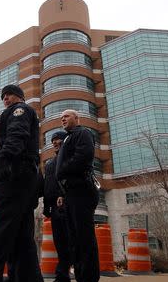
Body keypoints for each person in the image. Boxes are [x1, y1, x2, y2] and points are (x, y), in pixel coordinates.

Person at [0, 84, 43, 282]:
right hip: (22, 178)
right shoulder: (20, 112)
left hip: (13, 176)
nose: (5, 99)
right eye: (3, 97)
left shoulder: (20, 110)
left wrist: (4, 163)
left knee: (0, 230)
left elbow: (17, 135)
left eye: (8, 95)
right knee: (22, 235)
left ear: (18, 96)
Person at [55, 109, 100, 282]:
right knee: (75, 240)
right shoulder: (68, 137)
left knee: (84, 238)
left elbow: (84, 157)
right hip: (71, 193)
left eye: (66, 116)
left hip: (82, 191)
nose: (63, 119)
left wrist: (63, 170)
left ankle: (89, 278)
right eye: (61, 117)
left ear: (76, 118)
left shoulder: (83, 133)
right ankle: (81, 276)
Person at [44, 130, 71, 282]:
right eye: (53, 140)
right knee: (59, 242)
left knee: (68, 241)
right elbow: (48, 186)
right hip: (54, 207)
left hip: (66, 205)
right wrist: (46, 206)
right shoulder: (49, 164)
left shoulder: (70, 159)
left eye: (58, 140)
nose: (55, 142)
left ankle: (63, 273)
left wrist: (64, 195)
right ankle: (63, 274)